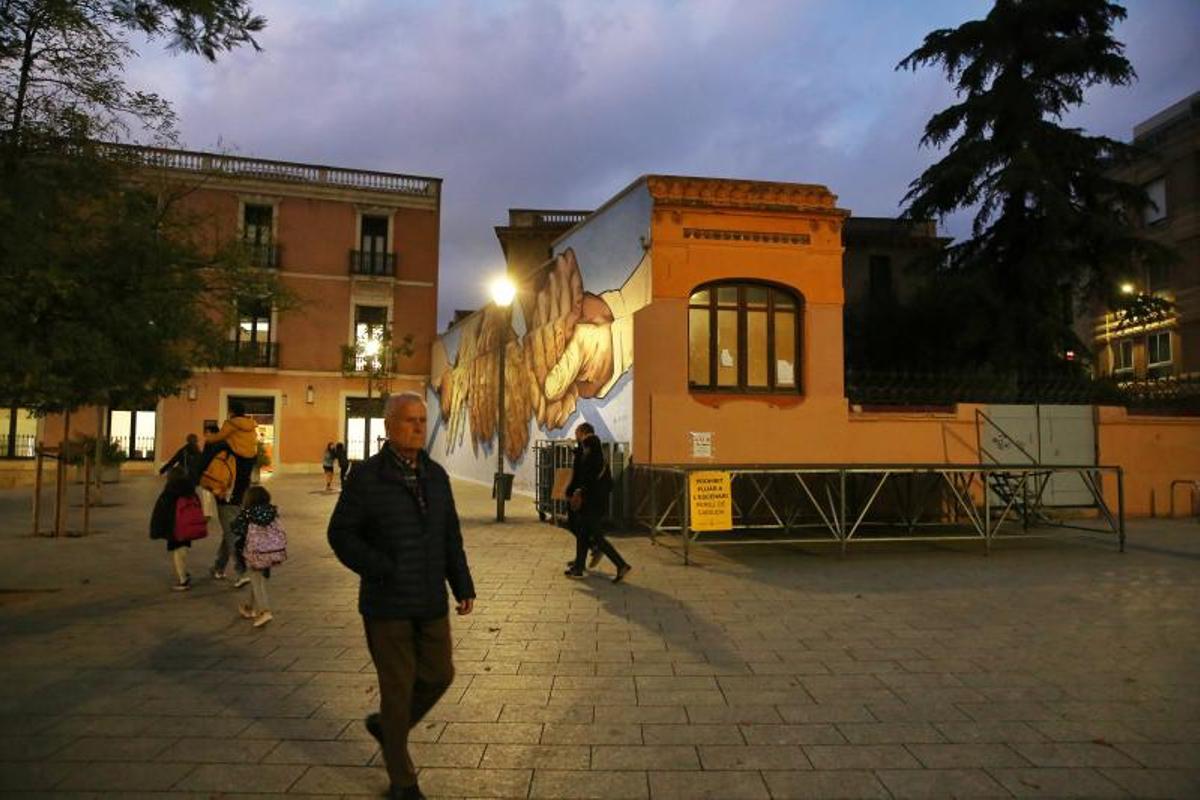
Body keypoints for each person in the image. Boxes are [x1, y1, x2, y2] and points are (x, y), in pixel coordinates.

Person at [327, 393, 475, 800]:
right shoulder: (367, 476)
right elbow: (340, 534)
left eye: (423, 421)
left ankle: (390, 727)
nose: (417, 427)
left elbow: (450, 536)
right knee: (397, 687)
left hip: (429, 598)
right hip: (386, 603)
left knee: (440, 674)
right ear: (389, 426)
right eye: (409, 420)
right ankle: (402, 780)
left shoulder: (436, 476)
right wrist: (380, 567)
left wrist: (462, 584)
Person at [564, 422, 631, 583]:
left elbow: (588, 473)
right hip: (594, 499)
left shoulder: (590, 446)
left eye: (577, 433)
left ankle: (621, 564)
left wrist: (580, 491)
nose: (576, 437)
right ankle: (579, 567)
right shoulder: (593, 448)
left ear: (582, 432)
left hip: (591, 501)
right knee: (582, 533)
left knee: (597, 537)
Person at [232, 485, 282, 628]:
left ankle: (264, 611)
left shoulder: (247, 513)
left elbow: (236, 528)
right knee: (257, 578)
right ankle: (248, 607)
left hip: (253, 551)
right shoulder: (272, 511)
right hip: (270, 550)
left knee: (256, 580)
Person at [149, 467, 205, 591]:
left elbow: (161, 511)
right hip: (187, 527)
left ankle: (183, 579)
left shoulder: (169, 492)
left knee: (177, 553)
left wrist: (157, 530)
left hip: (174, 528)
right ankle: (184, 574)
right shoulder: (190, 491)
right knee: (182, 551)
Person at [199, 401, 258, 505]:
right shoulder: (250, 424)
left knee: (213, 445)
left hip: (237, 454)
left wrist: (208, 439)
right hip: (251, 455)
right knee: (243, 480)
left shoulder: (231, 423)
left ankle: (202, 470)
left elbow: (219, 436)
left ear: (232, 411)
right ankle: (238, 501)